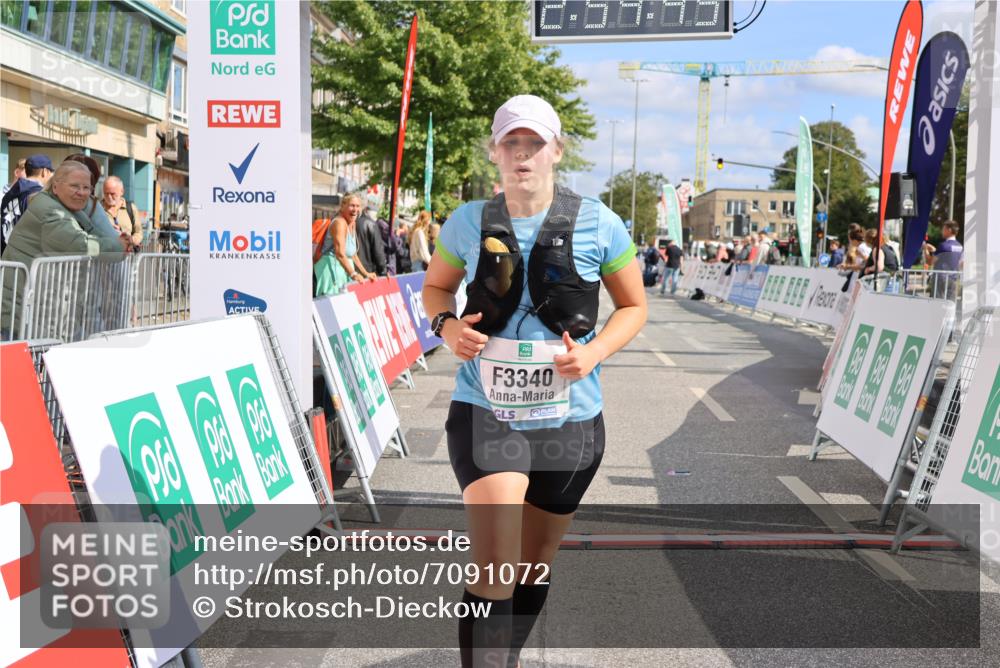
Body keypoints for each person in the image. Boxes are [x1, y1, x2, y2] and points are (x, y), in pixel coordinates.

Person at [422, 94, 646, 668]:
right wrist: (447, 328)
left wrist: (593, 353)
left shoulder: (600, 222)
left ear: (556, 151)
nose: (522, 154)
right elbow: (435, 290)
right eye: (511, 143)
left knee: (533, 561)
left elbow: (633, 308)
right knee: (495, 561)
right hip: (485, 408)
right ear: (495, 151)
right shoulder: (467, 221)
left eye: (534, 143)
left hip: (569, 419)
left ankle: (507, 656)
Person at [2, 162, 128, 334]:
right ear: (55, 186)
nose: (82, 192)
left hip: (35, 307)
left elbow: (91, 230)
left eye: (86, 187)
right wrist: (118, 246)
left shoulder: (64, 206)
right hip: (23, 310)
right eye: (75, 186)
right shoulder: (50, 211)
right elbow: (80, 244)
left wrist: (118, 243)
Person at [314, 193, 376, 296]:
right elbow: (340, 254)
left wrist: (366, 273)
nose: (355, 209)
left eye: (357, 206)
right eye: (351, 205)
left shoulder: (352, 223)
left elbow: (353, 254)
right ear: (343, 206)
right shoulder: (340, 223)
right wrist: (353, 274)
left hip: (343, 273)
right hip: (329, 273)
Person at [1, 154, 53, 254]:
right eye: (51, 172)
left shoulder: (9, 193)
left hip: (6, 253)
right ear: (44, 172)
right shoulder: (38, 195)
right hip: (25, 255)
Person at [101, 176, 143, 250]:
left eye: (112, 194)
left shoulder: (131, 208)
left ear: (122, 192)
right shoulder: (98, 208)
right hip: (104, 256)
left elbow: (139, 232)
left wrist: (131, 240)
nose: (109, 197)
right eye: (106, 193)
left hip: (127, 257)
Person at [923, 220, 963, 299]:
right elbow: (957, 262)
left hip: (940, 278)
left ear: (949, 230)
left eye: (943, 229)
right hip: (953, 279)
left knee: (937, 304)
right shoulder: (960, 247)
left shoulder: (943, 246)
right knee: (950, 305)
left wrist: (925, 250)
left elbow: (930, 262)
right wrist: (935, 250)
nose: (942, 231)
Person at [356, 192, 387, 276]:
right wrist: (383, 271)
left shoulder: (351, 222)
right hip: (367, 271)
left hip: (353, 270)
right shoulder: (371, 224)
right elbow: (378, 251)